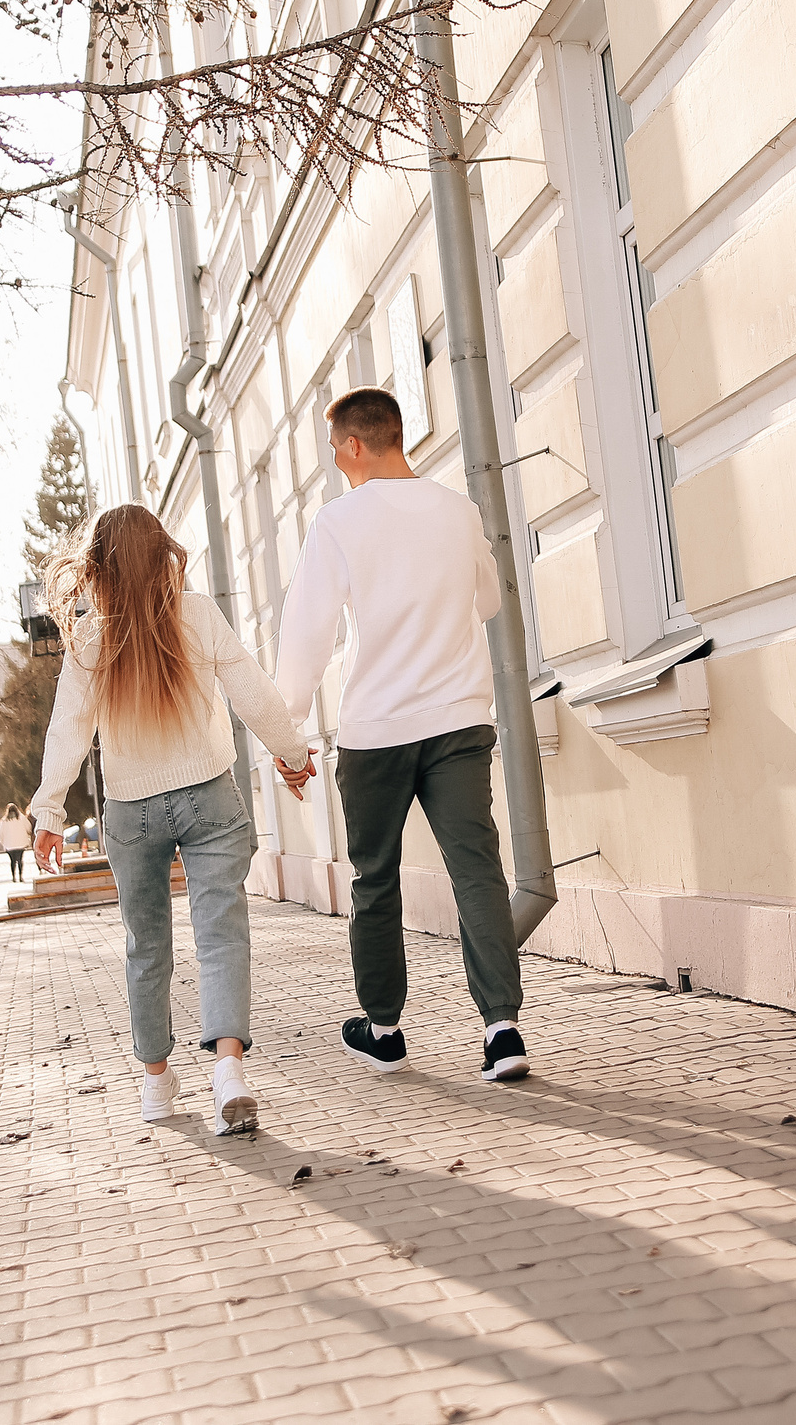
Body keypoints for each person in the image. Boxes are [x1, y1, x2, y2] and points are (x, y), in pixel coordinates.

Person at [273, 386, 529, 1085]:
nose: (336, 462)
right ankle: (502, 1030)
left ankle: (383, 1030)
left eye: (335, 449)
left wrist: (288, 730)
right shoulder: (457, 509)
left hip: (377, 729)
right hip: (458, 720)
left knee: (375, 878)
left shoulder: (338, 521)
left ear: (356, 445)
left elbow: (307, 634)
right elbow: (488, 600)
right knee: (477, 870)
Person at [32, 504, 313, 1134]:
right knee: (221, 933)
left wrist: (49, 810)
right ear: (164, 555)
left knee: (146, 945)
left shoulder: (89, 639)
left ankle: (156, 1084)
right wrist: (293, 756)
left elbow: (67, 730)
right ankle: (228, 1071)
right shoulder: (197, 613)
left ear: (97, 569)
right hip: (209, 798)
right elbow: (253, 693)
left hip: (130, 812)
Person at [0, 803, 29, 883]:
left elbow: (0, 834)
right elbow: (29, 827)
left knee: (12, 861)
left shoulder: (4, 821)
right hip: (21, 844)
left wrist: (3, 843)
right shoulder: (21, 818)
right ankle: (21, 876)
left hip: (9, 845)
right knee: (20, 860)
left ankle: (13, 877)